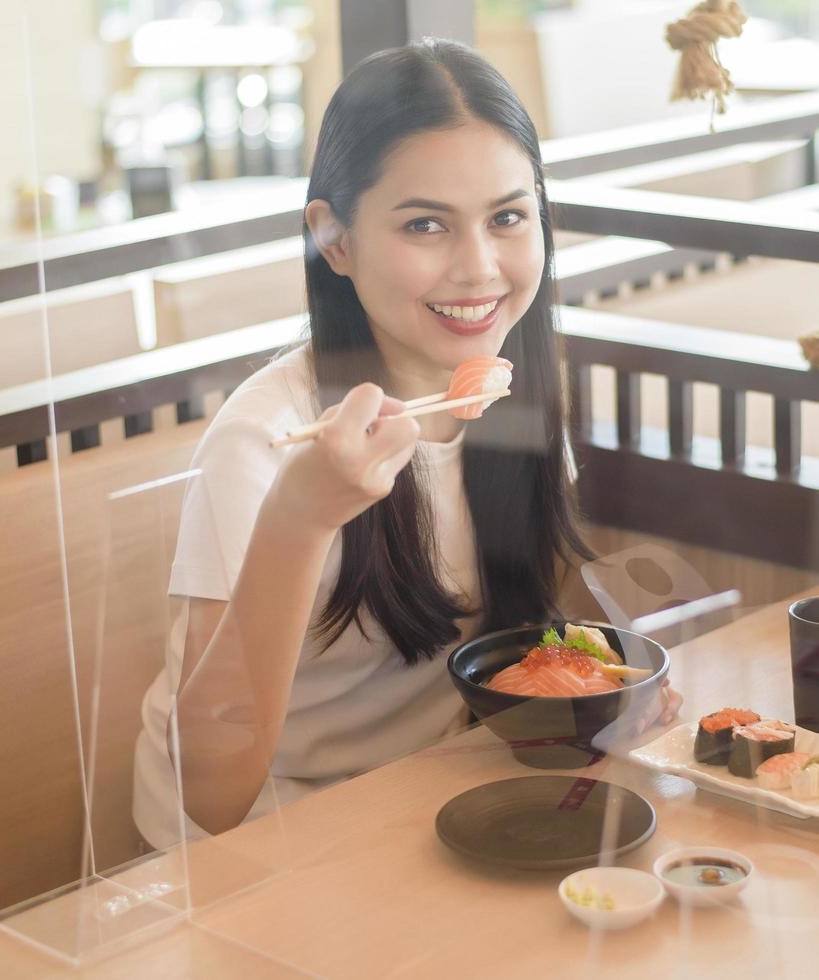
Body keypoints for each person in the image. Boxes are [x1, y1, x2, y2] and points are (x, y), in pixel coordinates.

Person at [134, 38, 677, 844]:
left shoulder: (506, 387)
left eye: (508, 218)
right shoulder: (266, 441)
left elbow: (519, 643)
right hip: (262, 832)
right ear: (334, 238)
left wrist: (596, 704)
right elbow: (206, 793)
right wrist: (302, 516)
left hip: (432, 797)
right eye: (425, 224)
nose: (479, 267)